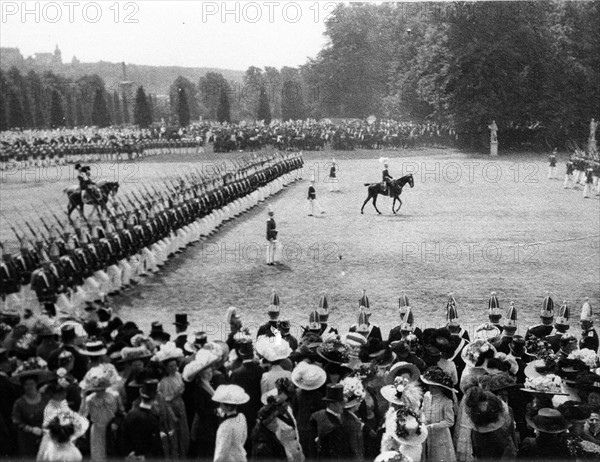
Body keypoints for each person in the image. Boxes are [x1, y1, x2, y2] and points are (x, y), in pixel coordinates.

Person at [212, 384, 250, 462]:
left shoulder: (225, 426)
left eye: (221, 404)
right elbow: (244, 437)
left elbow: (221, 452)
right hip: (240, 456)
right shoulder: (241, 417)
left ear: (228, 407)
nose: (220, 406)